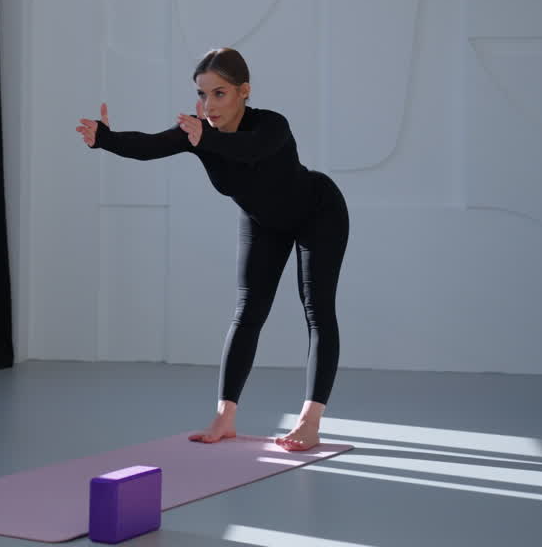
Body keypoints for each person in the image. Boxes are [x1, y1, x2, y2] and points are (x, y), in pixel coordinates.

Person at [76, 48, 349, 451]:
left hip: (318, 212)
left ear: (244, 91)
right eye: (202, 95)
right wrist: (105, 139)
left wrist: (207, 138)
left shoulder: (271, 125)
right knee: (248, 312)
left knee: (317, 308)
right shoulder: (199, 131)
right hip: (262, 222)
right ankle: (225, 418)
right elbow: (149, 145)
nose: (209, 105)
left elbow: (250, 151)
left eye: (219, 93)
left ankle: (309, 421)